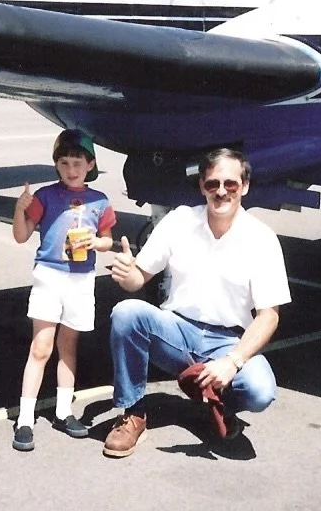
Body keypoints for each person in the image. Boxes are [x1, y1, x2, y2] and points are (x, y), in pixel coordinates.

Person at [103, 147, 290, 458]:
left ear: (244, 186)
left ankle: (219, 404)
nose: (221, 192)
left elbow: (269, 316)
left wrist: (232, 362)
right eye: (213, 184)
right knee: (126, 313)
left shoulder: (262, 238)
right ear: (202, 185)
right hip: (176, 332)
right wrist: (128, 273)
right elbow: (139, 277)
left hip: (228, 341)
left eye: (230, 184)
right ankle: (133, 413)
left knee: (260, 392)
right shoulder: (179, 221)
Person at [11, 129, 116, 452]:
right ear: (56, 165)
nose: (71, 169)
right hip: (50, 276)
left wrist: (96, 242)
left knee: (68, 347)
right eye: (65, 163)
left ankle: (62, 411)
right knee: (41, 348)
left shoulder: (100, 201)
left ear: (90, 164)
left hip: (81, 279)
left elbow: (108, 239)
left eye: (78, 163)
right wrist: (20, 208)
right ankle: (25, 418)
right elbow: (21, 235)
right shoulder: (45, 196)